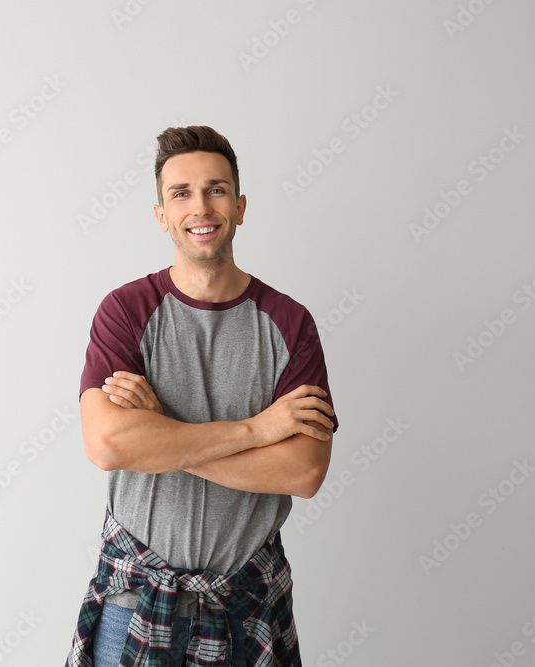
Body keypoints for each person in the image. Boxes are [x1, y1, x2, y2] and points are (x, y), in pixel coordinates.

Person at [65, 125, 339, 667]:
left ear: (239, 206)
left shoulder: (290, 323)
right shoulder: (125, 312)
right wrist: (258, 432)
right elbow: (107, 445)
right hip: (135, 602)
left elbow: (303, 472)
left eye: (216, 190)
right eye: (181, 193)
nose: (200, 207)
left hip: (248, 608)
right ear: (161, 214)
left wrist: (163, 435)